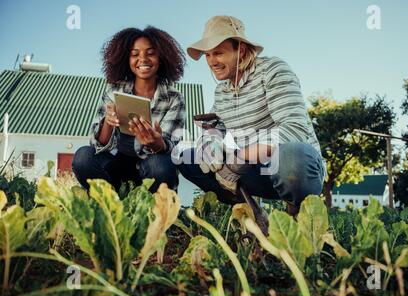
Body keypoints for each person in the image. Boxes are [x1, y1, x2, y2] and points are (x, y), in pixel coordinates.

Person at [178, 16, 326, 215]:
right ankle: (252, 213)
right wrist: (210, 141)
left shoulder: (273, 70)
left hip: (296, 169)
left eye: (219, 53)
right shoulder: (222, 91)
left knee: (292, 157)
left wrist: (239, 158)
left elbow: (294, 129)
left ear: (241, 50)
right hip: (256, 171)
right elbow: (216, 127)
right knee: (187, 158)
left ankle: (298, 217)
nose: (212, 61)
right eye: (208, 55)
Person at [72, 26, 186, 193]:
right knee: (83, 157)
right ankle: (108, 200)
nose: (143, 59)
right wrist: (108, 123)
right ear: (126, 59)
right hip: (113, 167)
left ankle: (155, 209)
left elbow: (170, 146)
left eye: (150, 53)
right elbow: (97, 144)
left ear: (162, 57)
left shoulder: (174, 98)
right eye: (135, 54)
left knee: (160, 165)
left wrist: (156, 142)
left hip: (149, 171)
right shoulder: (114, 90)